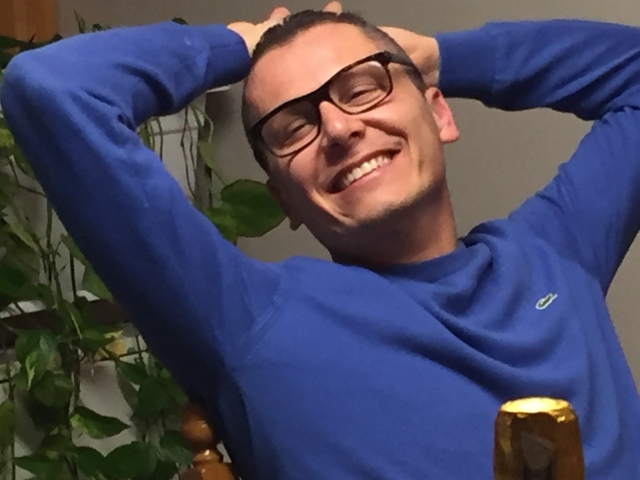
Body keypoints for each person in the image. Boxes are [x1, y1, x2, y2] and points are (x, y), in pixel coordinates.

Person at [2, 1, 640, 478]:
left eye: (363, 88)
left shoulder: (556, 251)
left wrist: (443, 56)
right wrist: (240, 44)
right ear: (284, 200)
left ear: (439, 112)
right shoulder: (243, 318)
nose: (338, 128)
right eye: (293, 127)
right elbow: (53, 89)